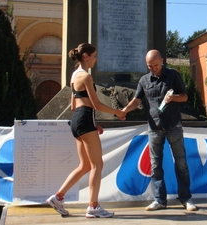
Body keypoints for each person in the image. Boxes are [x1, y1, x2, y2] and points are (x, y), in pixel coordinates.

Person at [46, 43, 126, 218]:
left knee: (85, 165)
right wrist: (118, 112)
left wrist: (91, 124)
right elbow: (96, 104)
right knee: (97, 165)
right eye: (95, 55)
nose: (96, 59)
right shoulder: (87, 77)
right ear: (86, 56)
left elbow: (74, 105)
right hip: (84, 119)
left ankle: (58, 197)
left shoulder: (74, 76)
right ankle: (93, 206)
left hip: (77, 121)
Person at [122, 49, 197, 211]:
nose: (153, 68)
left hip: (173, 125)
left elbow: (184, 97)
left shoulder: (173, 75)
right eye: (150, 66)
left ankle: (186, 198)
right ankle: (160, 200)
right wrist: (124, 111)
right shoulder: (144, 80)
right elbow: (136, 100)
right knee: (155, 166)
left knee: (181, 163)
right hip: (154, 127)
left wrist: (173, 98)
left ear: (162, 61)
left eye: (155, 65)